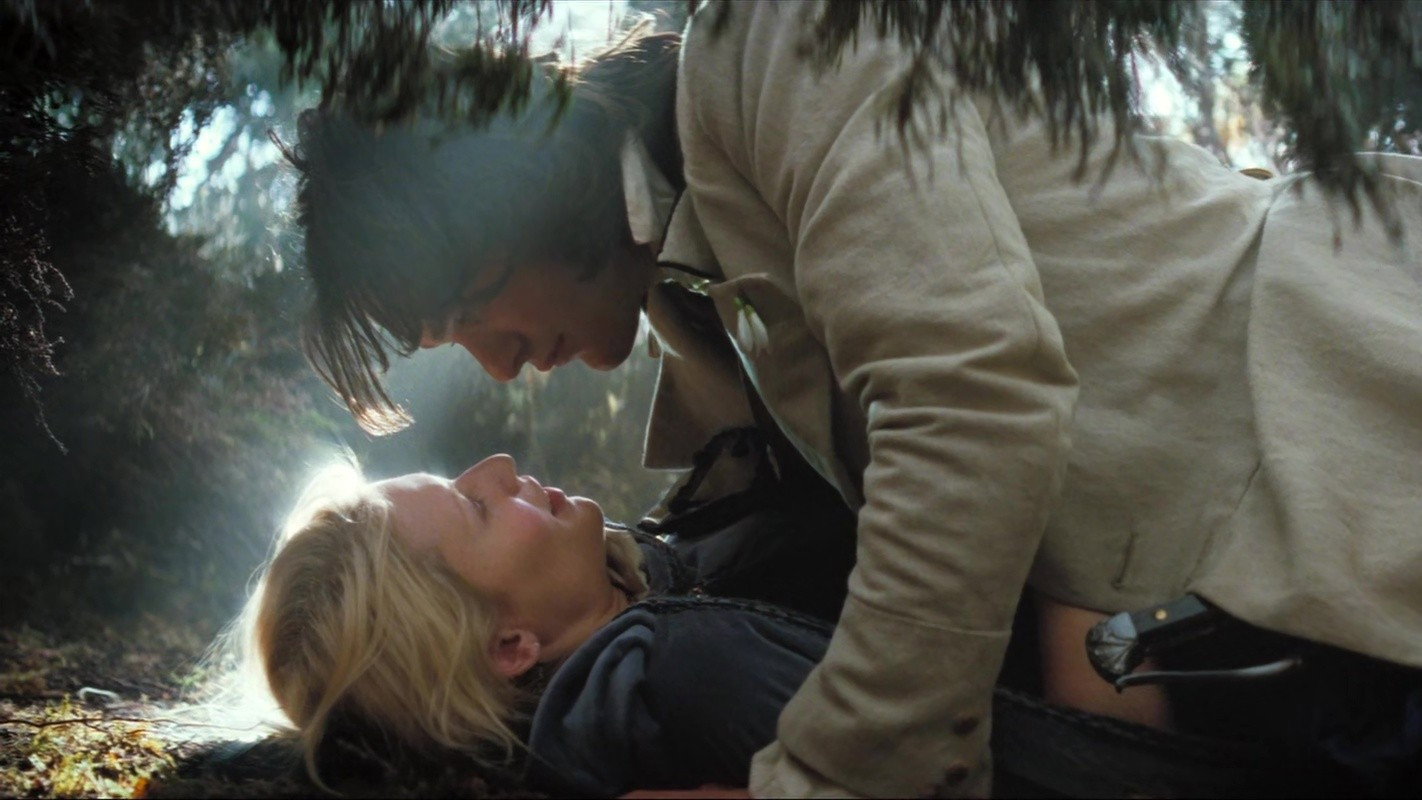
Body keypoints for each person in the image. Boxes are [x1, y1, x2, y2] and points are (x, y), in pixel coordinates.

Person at [290, 3, 1422, 796]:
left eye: (464, 312)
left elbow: (971, 409)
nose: (495, 367)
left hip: (1346, 413)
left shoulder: (777, 42)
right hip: (1250, 622)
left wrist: (824, 782)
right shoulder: (684, 289)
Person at [236, 454, 835, 796]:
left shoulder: (640, 628)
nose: (498, 466)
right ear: (509, 647)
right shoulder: (685, 668)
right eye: (475, 507)